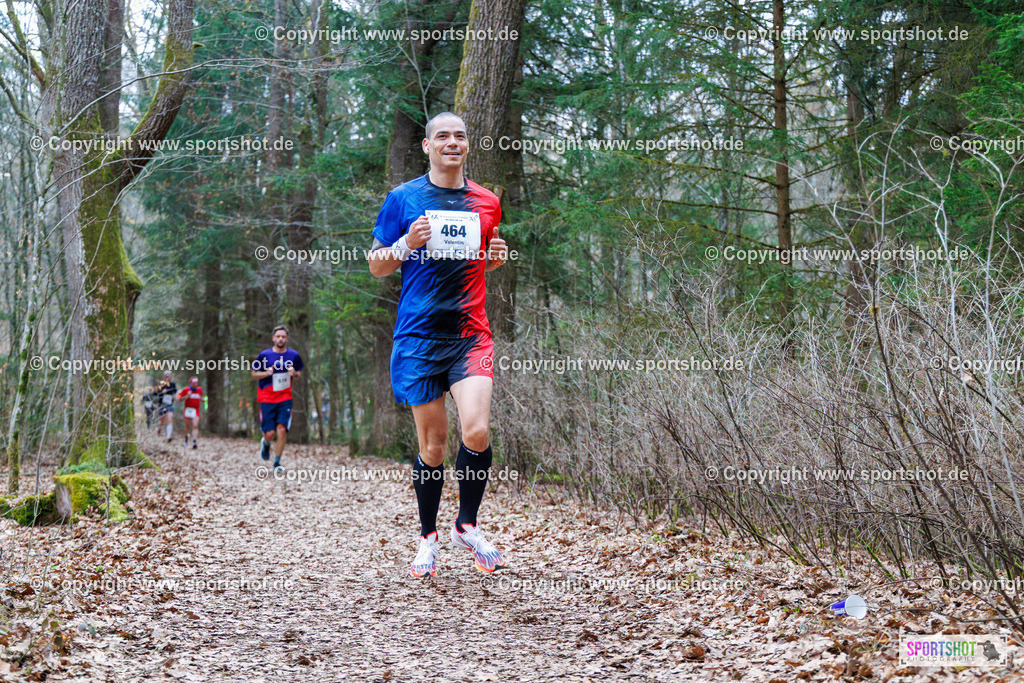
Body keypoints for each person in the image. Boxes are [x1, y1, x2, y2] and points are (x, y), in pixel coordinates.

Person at [367, 111, 509, 577]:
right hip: (418, 337)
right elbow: (377, 265)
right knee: (434, 445)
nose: (452, 142)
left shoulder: (486, 202)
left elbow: (476, 263)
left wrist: (493, 260)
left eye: (460, 136)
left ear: (468, 146)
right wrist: (407, 242)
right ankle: (428, 537)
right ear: (427, 146)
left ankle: (466, 524)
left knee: (477, 431)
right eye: (442, 136)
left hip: (470, 333)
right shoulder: (403, 198)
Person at [251, 326, 303, 472]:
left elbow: (299, 374)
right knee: (270, 433)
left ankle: (277, 463)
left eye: (283, 336)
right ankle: (266, 443)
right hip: (267, 397)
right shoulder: (264, 355)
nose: (280, 339)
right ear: (273, 338)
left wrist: (295, 373)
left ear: (287, 338)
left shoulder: (294, 355)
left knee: (281, 430)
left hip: (285, 397)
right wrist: (266, 373)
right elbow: (254, 373)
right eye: (278, 336)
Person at [176, 376, 203, 449]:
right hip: (188, 410)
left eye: (197, 383)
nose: (196, 384)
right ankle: (186, 439)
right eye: (194, 383)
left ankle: (194, 441)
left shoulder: (199, 389)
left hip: (196, 410)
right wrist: (187, 396)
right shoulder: (186, 389)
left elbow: (200, 396)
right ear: (191, 383)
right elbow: (179, 399)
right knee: (187, 426)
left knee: (195, 425)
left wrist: (202, 399)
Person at [155, 371, 178, 442]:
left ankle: (168, 436)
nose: (168, 378)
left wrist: (176, 396)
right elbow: (155, 393)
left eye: (169, 376)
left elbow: (175, 392)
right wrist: (162, 392)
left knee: (169, 419)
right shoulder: (161, 384)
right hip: (162, 404)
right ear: (164, 377)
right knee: (162, 420)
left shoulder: (173, 384)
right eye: (166, 376)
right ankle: (159, 430)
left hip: (169, 404)